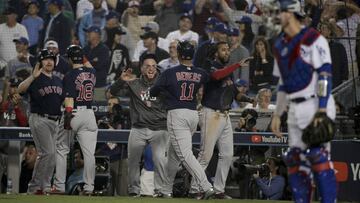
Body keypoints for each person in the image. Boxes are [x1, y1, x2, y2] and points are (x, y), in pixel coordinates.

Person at [270, 0, 337, 202]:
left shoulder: (314, 38)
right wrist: (277, 114)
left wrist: (322, 109)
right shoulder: (280, 44)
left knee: (318, 157)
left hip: (316, 102)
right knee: (295, 161)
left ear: (289, 13)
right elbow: (283, 83)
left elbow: (325, 74)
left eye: (279, 12)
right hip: (294, 107)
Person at [149, 41, 214, 199]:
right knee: (173, 155)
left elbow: (153, 91)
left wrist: (166, 91)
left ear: (178, 54)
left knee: (185, 154)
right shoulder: (200, 73)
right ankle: (165, 189)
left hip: (177, 114)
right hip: (193, 114)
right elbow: (210, 78)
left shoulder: (170, 72)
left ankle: (206, 187)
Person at [189, 41, 250, 199]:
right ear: (216, 53)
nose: (227, 52)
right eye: (223, 50)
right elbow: (216, 76)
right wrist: (237, 65)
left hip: (224, 115)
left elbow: (235, 92)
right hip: (211, 113)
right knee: (205, 155)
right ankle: (195, 189)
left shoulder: (227, 71)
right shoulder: (209, 66)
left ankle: (218, 190)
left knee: (227, 154)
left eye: (228, 49)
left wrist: (249, 99)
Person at [110, 54, 168, 197]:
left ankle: (160, 190)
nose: (151, 68)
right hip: (139, 128)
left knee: (160, 160)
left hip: (159, 128)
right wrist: (120, 80)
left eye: (153, 66)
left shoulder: (164, 84)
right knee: (133, 161)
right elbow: (111, 92)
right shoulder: (134, 83)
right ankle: (134, 190)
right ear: (141, 69)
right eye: (147, 66)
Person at [18, 49, 63, 195]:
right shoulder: (35, 77)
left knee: (50, 155)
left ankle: (43, 186)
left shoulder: (57, 79)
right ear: (40, 62)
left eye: (51, 59)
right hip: (39, 118)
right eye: (45, 59)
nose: (49, 61)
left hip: (55, 121)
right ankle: (36, 186)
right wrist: (32, 76)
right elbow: (20, 89)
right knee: (47, 152)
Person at [62, 45, 98, 195]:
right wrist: (80, 54)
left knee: (61, 150)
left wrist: (67, 118)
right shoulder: (92, 72)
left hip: (75, 112)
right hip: (89, 114)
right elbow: (88, 64)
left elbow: (69, 99)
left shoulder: (70, 75)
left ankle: (58, 185)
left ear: (70, 58)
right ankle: (89, 187)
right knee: (89, 154)